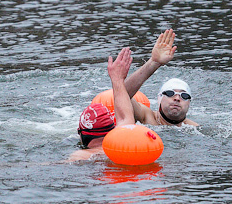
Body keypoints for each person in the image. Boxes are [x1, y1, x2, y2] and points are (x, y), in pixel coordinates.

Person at [70, 29, 197, 161]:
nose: (177, 98)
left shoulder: (195, 130)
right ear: (159, 98)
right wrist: (154, 62)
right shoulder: (145, 116)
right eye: (170, 93)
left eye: (184, 96)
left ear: (190, 103)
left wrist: (117, 79)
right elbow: (124, 96)